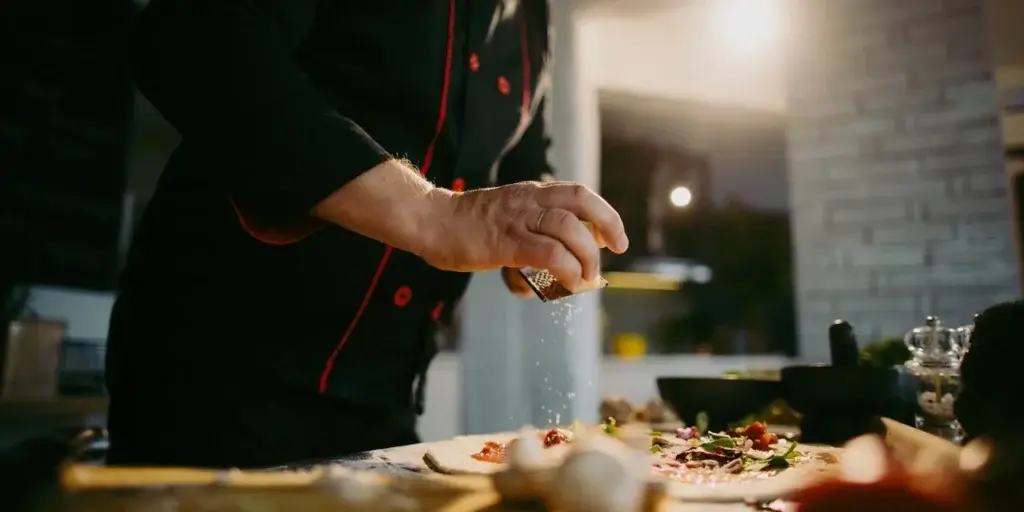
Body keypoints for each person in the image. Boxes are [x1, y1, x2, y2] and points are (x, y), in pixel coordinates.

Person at [105, 0, 628, 469]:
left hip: (384, 406)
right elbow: (192, 37)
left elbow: (523, 168)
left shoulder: (532, 18)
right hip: (214, 384)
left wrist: (545, 257)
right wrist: (434, 215)